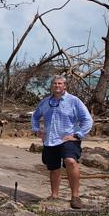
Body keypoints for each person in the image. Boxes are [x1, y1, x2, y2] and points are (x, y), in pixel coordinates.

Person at [31, 75, 93, 209]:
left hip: (68, 139)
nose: (57, 86)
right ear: (52, 86)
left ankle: (75, 196)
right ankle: (54, 195)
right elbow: (35, 117)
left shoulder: (74, 101)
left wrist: (78, 134)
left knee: (70, 161)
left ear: (64, 86)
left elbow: (87, 119)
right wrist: (37, 130)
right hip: (50, 139)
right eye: (54, 83)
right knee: (53, 168)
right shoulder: (45, 102)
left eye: (60, 83)